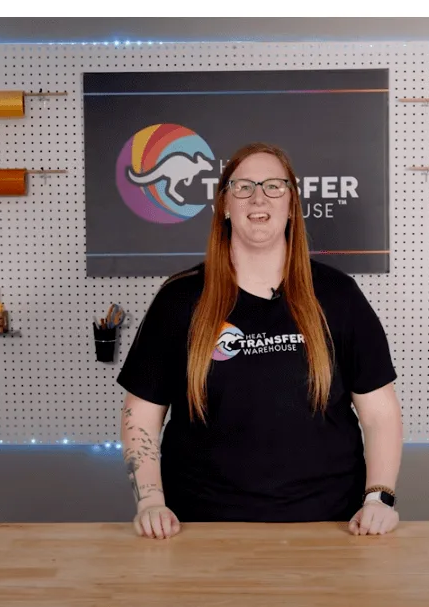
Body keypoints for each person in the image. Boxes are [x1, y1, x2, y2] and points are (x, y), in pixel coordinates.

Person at [117, 142, 403, 539]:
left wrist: (379, 499)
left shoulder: (338, 296)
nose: (258, 197)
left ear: (292, 204)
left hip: (330, 525)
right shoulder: (179, 299)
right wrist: (150, 500)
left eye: (274, 186)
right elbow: (142, 413)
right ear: (223, 205)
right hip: (201, 527)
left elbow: (380, 414)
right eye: (243, 187)